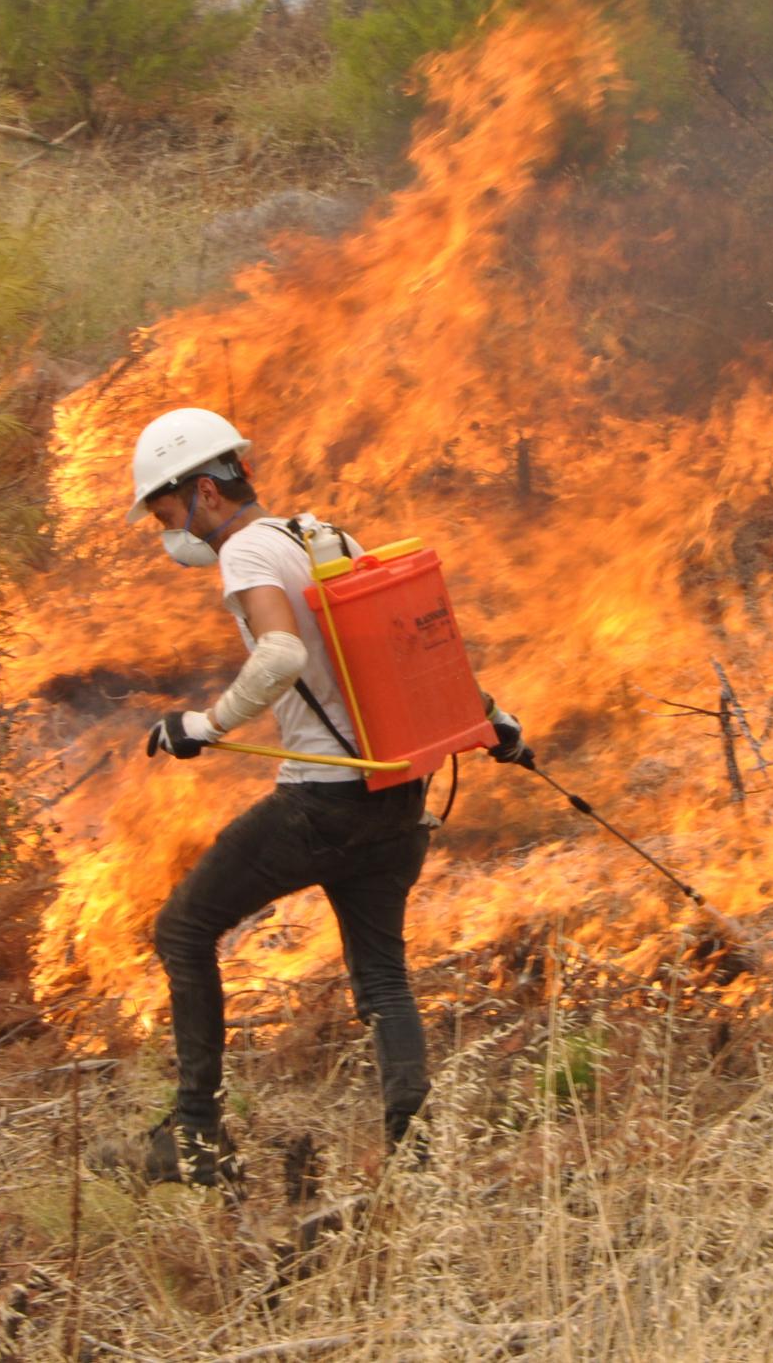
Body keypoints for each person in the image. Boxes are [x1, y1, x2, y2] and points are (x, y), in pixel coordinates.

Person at [128, 406, 532, 1188]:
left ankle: (197, 1138)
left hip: (324, 804)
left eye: (166, 511)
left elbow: (278, 652)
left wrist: (203, 726)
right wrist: (490, 717)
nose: (165, 529)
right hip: (396, 799)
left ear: (206, 490)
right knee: (382, 977)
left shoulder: (244, 553)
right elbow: (412, 645)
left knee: (183, 930)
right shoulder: (322, 537)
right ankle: (415, 1160)